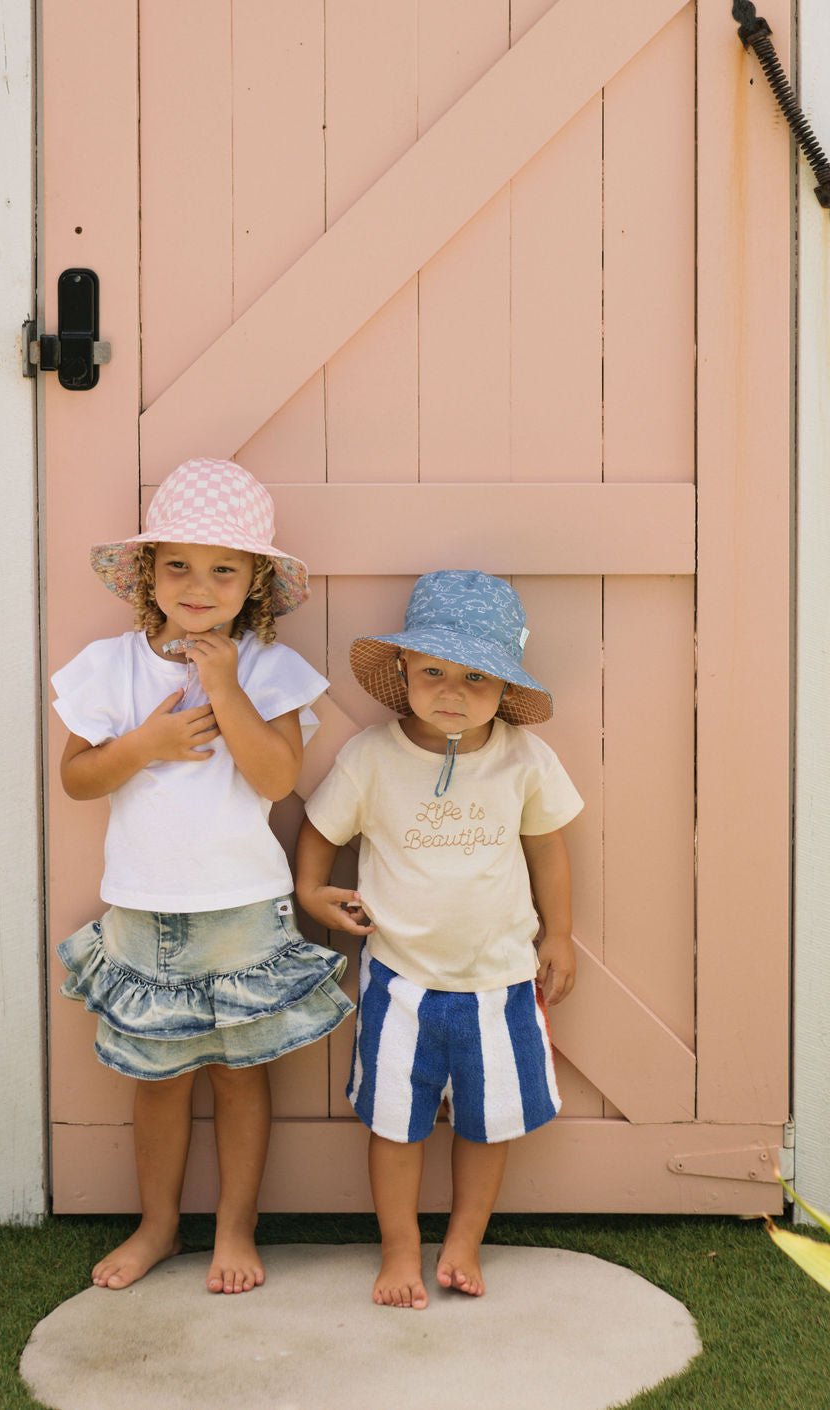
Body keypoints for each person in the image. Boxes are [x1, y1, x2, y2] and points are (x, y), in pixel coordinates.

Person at [53, 457, 353, 1296]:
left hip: (241, 910)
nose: (198, 585)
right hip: (143, 910)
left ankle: (234, 1226)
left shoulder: (266, 667)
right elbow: (76, 779)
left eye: (223, 569)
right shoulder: (111, 667)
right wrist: (143, 745)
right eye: (178, 564)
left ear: (253, 583)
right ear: (147, 572)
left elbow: (276, 778)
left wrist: (224, 686)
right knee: (157, 1079)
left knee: (239, 1074)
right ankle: (158, 1225)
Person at [295, 570, 583, 1310]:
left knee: (488, 1125)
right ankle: (399, 1248)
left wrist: (560, 933)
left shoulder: (522, 758)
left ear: (505, 684)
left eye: (475, 676)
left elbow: (548, 849)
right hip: (400, 982)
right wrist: (311, 891)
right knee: (396, 1124)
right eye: (433, 672)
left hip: (501, 980)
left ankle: (463, 1241)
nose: (452, 691)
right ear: (403, 669)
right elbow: (321, 829)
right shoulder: (371, 756)